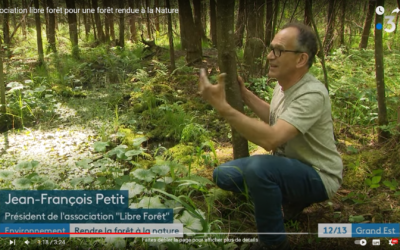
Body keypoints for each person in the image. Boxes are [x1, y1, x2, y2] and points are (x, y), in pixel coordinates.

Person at [198, 22, 343, 250]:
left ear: (301, 59)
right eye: (271, 48)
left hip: (319, 175)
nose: (269, 56)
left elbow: (272, 139)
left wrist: (222, 107)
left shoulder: (312, 93)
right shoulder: (283, 85)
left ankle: (273, 243)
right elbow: (276, 118)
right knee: (223, 175)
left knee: (259, 169)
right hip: (287, 167)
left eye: (278, 50)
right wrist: (244, 94)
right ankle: (288, 200)